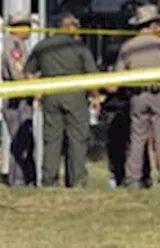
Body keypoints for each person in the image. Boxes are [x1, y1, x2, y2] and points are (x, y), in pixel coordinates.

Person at [24, 13, 100, 188]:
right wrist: (95, 96)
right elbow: (92, 75)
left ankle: (49, 179)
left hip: (51, 95)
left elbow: (29, 72)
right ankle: (77, 180)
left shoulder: (42, 46)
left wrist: (38, 91)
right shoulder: (80, 48)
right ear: (73, 27)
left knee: (52, 139)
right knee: (77, 139)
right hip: (76, 96)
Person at [112, 4, 160, 187]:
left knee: (137, 138)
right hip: (159, 95)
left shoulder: (127, 47)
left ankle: (133, 179)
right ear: (153, 24)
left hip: (137, 97)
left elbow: (118, 77)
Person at [1, 11, 36, 187]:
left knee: (26, 140)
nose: (29, 29)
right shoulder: (14, 45)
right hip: (17, 99)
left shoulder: (19, 44)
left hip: (22, 97)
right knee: (20, 140)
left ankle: (26, 177)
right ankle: (17, 179)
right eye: (27, 25)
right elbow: (18, 73)